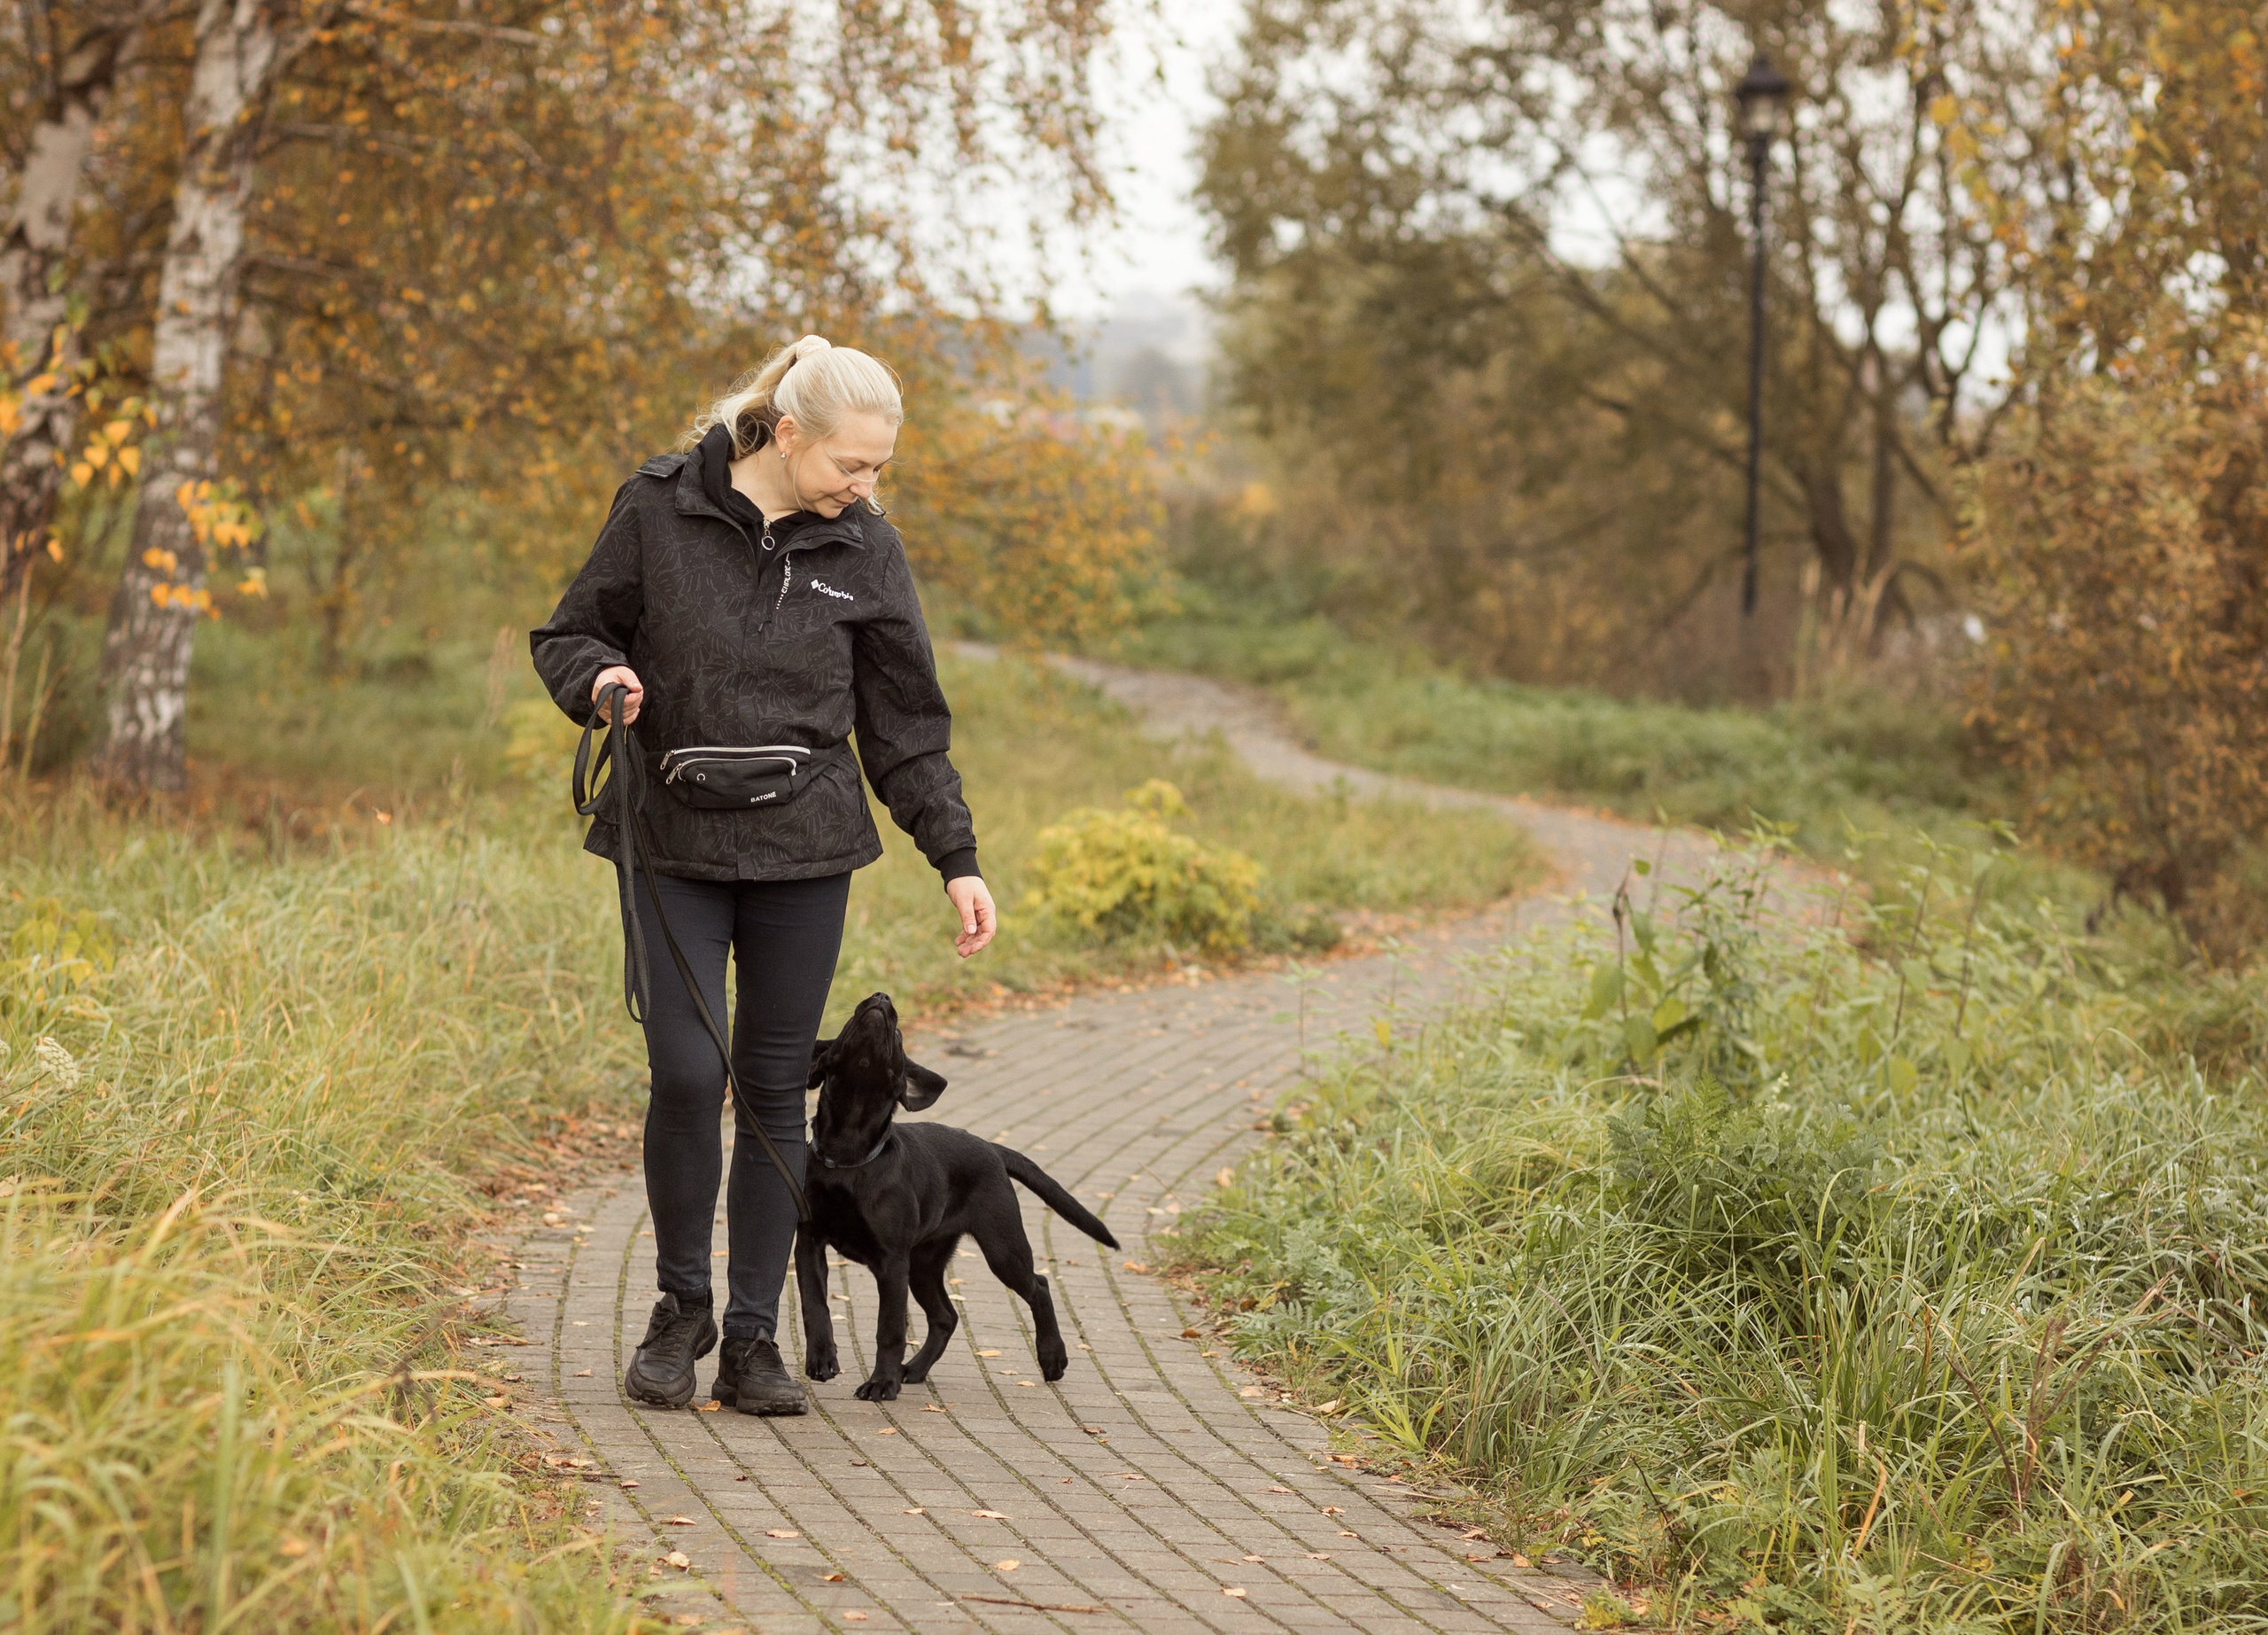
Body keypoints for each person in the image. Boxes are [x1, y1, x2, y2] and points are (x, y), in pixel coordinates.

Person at [531, 334, 997, 1414]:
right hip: (672, 845)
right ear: (788, 435)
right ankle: (678, 1309)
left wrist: (956, 859)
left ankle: (750, 1342)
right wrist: (600, 673)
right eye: (851, 466)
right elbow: (571, 631)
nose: (865, 490)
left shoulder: (866, 550)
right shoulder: (657, 510)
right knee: (691, 1076)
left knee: (775, 1091)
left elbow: (905, 729)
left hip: (805, 852)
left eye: (879, 470)